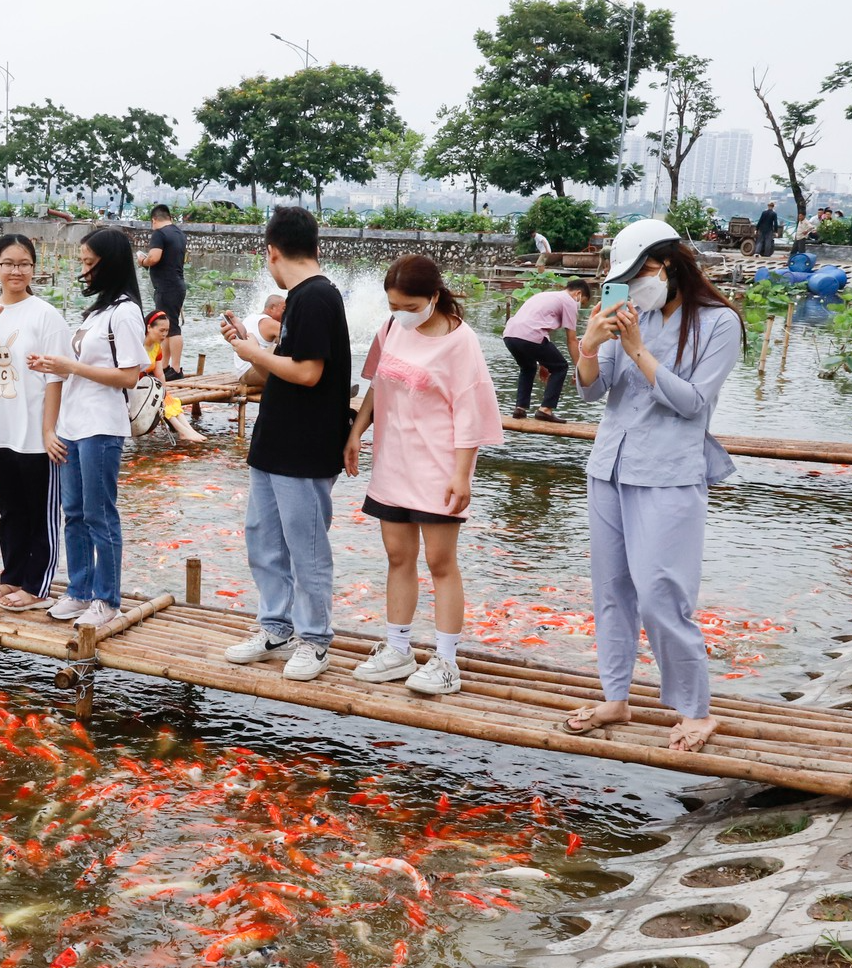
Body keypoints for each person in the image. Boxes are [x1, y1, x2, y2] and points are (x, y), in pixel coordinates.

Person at [562, 219, 746, 753]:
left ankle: (695, 710)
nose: (633, 285)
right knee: (612, 591)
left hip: (668, 474)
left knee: (662, 595)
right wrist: (590, 348)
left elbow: (691, 403)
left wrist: (640, 348)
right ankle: (615, 696)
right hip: (610, 467)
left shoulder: (718, 322)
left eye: (639, 272)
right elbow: (592, 395)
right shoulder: (628, 313)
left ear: (667, 264)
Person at [344, 256, 504, 696]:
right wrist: (357, 432)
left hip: (439, 463)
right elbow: (377, 382)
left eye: (409, 304)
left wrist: (461, 475)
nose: (399, 311)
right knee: (398, 556)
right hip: (393, 459)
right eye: (393, 303)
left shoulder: (461, 341)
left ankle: (447, 660)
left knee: (440, 561)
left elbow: (469, 412)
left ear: (434, 297)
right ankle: (398, 648)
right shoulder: (392, 327)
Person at [219, 207, 351, 680]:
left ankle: (314, 639)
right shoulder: (297, 298)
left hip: (306, 445)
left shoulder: (317, 297)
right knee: (263, 538)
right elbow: (288, 360)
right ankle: (275, 625)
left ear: (272, 251)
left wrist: (250, 351)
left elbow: (309, 372)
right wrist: (251, 346)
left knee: (306, 545)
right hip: (274, 438)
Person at [25, 229, 149, 629]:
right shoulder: (97, 312)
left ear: (108, 263)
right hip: (73, 425)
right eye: (81, 261)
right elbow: (77, 368)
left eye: (88, 262)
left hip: (101, 426)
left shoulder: (126, 312)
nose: (83, 270)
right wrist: (51, 365)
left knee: (99, 514)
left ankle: (107, 598)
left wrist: (70, 366)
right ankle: (79, 591)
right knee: (73, 512)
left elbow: (130, 376)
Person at [0, 235, 69, 611]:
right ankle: (12, 578)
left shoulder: (46, 314)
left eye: (24, 263)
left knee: (40, 512)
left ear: (33, 269)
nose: (16, 271)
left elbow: (57, 378)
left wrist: (49, 430)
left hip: (35, 433)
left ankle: (37, 586)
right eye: (8, 263)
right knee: (10, 511)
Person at [502, 280, 590, 421]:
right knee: (560, 367)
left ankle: (520, 408)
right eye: (583, 302)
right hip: (529, 335)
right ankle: (546, 409)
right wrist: (580, 368)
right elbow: (572, 340)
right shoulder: (569, 301)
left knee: (528, 368)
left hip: (510, 335)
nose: (580, 307)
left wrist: (543, 363)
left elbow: (540, 329)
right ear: (578, 294)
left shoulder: (546, 296)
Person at [137, 204, 189, 377]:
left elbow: (154, 258)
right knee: (166, 327)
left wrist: (142, 261)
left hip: (167, 286)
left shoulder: (159, 234)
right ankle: (166, 365)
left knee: (172, 327)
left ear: (154, 220)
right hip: (176, 284)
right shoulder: (179, 234)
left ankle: (175, 368)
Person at [143, 311, 206, 445]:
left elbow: (159, 374)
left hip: (149, 387)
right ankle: (182, 431)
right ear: (149, 328)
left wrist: (164, 391)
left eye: (167, 330)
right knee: (162, 401)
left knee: (170, 400)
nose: (165, 334)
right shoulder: (138, 346)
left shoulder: (157, 347)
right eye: (161, 330)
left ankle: (189, 430)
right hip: (137, 388)